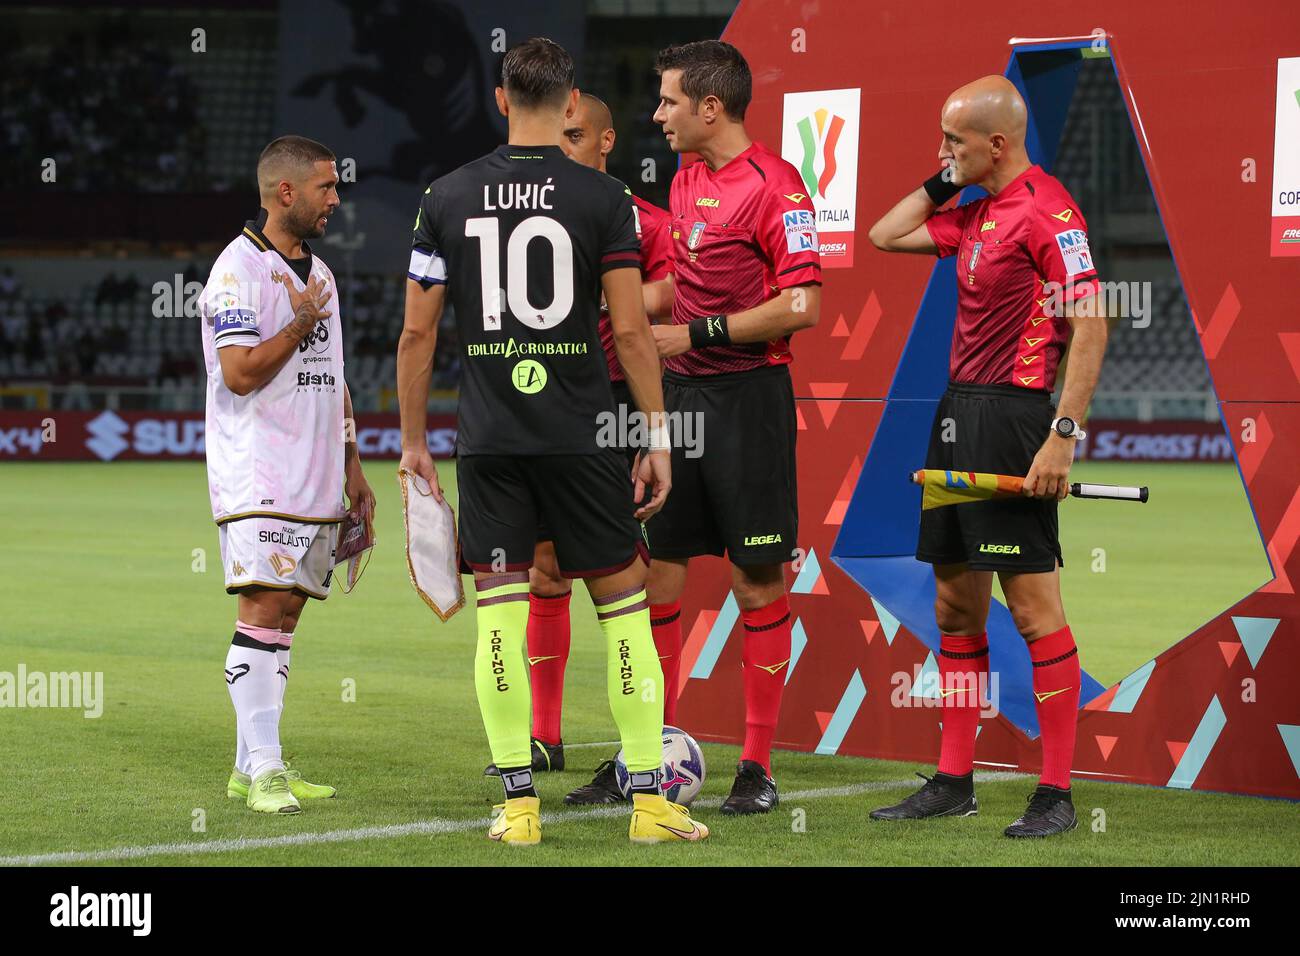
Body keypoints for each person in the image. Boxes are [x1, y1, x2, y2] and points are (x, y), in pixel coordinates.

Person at [396, 37, 707, 846]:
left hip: (491, 442)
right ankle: (648, 808)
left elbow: (415, 338)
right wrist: (656, 435)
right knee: (623, 608)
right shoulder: (605, 200)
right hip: (582, 438)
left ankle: (520, 809)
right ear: (571, 105)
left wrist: (412, 444)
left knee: (499, 620)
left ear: (502, 100)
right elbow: (634, 333)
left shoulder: (445, 195)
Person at [566, 40, 824, 815]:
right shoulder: (684, 179)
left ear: (711, 107)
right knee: (659, 576)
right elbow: (682, 279)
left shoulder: (778, 188)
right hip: (677, 402)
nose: (658, 115)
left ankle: (757, 765)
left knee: (755, 581)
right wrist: (606, 305)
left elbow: (804, 304)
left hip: (750, 401)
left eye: (670, 101)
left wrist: (700, 332)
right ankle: (649, 751)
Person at [866, 75, 1108, 838]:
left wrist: (1062, 436)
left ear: (997, 144)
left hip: (1016, 417)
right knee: (954, 606)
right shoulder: (974, 212)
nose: (942, 153)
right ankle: (954, 779)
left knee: (1034, 612)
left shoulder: (1048, 209)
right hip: (956, 416)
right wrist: (948, 174)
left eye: (954, 141)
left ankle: (1058, 792)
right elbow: (884, 232)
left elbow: (1093, 321)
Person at [482, 90, 676, 781]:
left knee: (631, 574)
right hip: (543, 406)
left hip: (617, 399)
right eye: (556, 134)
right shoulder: (525, 215)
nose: (561, 147)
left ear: (604, 142)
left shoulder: (636, 216)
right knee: (543, 568)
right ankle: (543, 736)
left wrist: (596, 285)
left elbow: (672, 293)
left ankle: (652, 743)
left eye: (574, 136)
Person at [201, 135, 376, 814]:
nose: (336, 198)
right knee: (260, 609)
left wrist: (353, 466)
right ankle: (268, 769)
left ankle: (252, 767)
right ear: (286, 192)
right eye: (327, 188)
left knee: (287, 616)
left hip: (317, 475)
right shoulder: (236, 271)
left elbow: (333, 380)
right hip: (260, 471)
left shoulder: (322, 275)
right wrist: (298, 326)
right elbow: (241, 373)